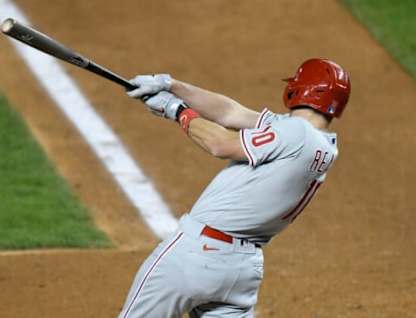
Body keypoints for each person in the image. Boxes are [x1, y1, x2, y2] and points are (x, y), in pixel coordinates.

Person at [119, 58, 351, 318]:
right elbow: (230, 113)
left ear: (301, 89)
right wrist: (172, 85)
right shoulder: (320, 145)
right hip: (240, 270)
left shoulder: (295, 132)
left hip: (195, 255)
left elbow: (221, 144)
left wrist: (177, 111)